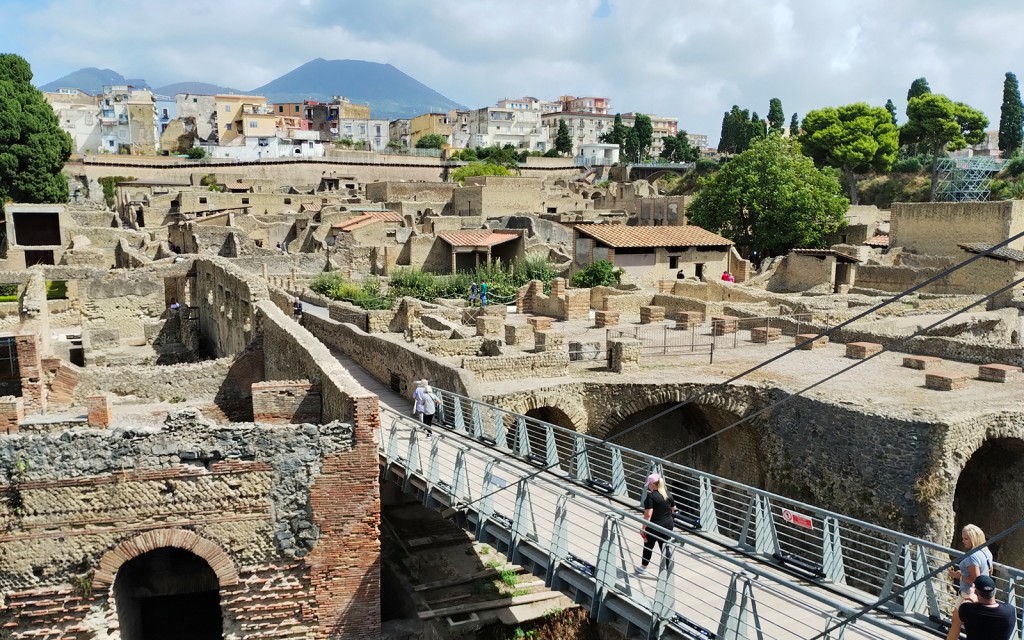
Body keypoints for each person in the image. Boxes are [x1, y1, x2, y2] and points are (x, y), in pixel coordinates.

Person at [946, 575, 1015, 640]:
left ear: (976, 593)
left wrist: (970, 596)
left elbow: (963, 606)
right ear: (995, 591)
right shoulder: (1009, 611)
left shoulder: (967, 610)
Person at [634, 473, 675, 576]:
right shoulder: (667, 494)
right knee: (665, 547)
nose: (648, 486)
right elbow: (673, 509)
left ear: (652, 484)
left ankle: (643, 568)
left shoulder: (651, 496)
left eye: (649, 484)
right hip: (668, 525)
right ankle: (669, 570)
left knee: (648, 546)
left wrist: (643, 528)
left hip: (654, 526)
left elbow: (648, 515)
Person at [949, 524, 994, 599]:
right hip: (981, 595)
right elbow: (990, 571)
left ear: (974, 539)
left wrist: (960, 576)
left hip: (968, 594)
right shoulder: (987, 552)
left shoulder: (972, 556)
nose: (963, 541)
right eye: (963, 538)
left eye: (966, 539)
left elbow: (976, 581)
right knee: (955, 611)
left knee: (958, 611)